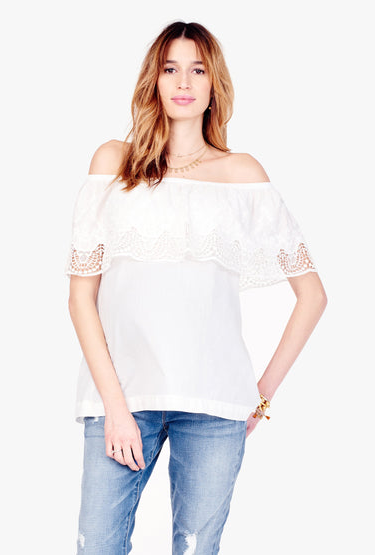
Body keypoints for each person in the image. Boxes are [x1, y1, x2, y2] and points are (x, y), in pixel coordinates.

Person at [65, 20, 327, 555]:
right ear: (154, 81)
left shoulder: (241, 174)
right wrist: (114, 406)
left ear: (214, 85)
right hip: (122, 398)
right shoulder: (113, 163)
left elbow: (312, 295)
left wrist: (260, 397)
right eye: (170, 68)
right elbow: (80, 298)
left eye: (198, 70)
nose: (183, 81)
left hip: (215, 407)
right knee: (97, 546)